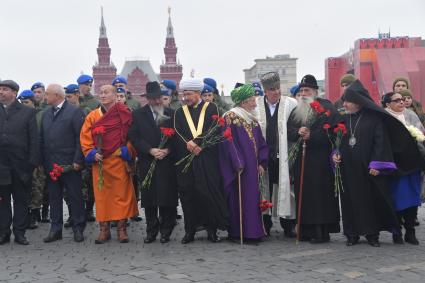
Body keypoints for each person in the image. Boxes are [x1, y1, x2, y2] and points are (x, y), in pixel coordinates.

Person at [332, 80, 425, 247]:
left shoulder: (374, 119)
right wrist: (336, 154)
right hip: (349, 169)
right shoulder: (343, 119)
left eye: (348, 101)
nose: (344, 104)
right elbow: (336, 142)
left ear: (358, 102)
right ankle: (352, 234)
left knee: (370, 202)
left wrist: (377, 165)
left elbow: (381, 143)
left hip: (369, 169)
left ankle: (371, 234)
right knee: (350, 202)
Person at [80, 85, 139, 244]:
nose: (103, 95)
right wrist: (91, 153)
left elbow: (133, 135)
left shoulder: (124, 113)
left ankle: (121, 229)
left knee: (121, 195)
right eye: (101, 92)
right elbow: (85, 138)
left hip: (119, 160)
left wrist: (128, 150)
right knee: (102, 196)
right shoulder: (93, 115)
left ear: (115, 95)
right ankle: (104, 230)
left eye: (107, 92)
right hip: (100, 161)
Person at [173, 78, 228, 244]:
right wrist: (189, 143)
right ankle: (190, 230)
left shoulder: (212, 107)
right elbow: (177, 129)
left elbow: (214, 128)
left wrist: (198, 143)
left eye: (188, 94)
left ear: (198, 94)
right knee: (188, 194)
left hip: (206, 157)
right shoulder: (179, 112)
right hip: (187, 158)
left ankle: (212, 230)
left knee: (207, 193)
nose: (185, 97)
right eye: (184, 94)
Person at [287, 74, 341, 243]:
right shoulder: (296, 110)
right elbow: (289, 131)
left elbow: (334, 133)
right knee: (304, 196)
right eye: (301, 90)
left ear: (315, 92)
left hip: (321, 161)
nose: (303, 94)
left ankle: (321, 232)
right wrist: (298, 132)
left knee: (320, 197)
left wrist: (313, 136)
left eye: (307, 90)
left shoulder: (327, 108)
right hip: (302, 161)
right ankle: (306, 230)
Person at [129, 81, 178, 244]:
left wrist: (167, 150)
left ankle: (166, 230)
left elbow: (178, 137)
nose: (157, 101)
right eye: (153, 99)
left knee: (167, 197)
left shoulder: (172, 113)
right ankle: (151, 230)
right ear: (147, 99)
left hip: (166, 161)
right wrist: (150, 150)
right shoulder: (137, 114)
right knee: (149, 199)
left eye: (159, 98)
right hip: (147, 160)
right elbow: (134, 137)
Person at [219, 84, 268, 242]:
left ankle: (254, 232)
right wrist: (237, 162)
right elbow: (228, 141)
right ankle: (238, 233)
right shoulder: (230, 117)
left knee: (253, 200)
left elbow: (261, 142)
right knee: (239, 200)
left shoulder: (252, 120)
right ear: (243, 102)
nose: (255, 104)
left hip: (253, 168)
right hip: (239, 168)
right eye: (252, 101)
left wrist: (262, 162)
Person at [40, 84, 86, 243]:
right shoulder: (46, 114)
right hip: (51, 164)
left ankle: (78, 228)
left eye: (47, 94)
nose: (45, 97)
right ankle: (55, 229)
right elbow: (42, 139)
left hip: (70, 165)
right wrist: (42, 161)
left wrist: (78, 161)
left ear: (57, 96)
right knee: (54, 197)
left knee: (75, 197)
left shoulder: (74, 112)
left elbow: (80, 139)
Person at [255, 72, 298, 237]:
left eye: (278, 88)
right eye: (272, 89)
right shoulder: (256, 105)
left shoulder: (291, 103)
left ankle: (288, 224)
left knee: (287, 188)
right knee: (263, 188)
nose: (276, 92)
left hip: (284, 155)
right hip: (264, 156)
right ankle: (264, 223)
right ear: (265, 91)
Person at [0, 80, 39, 245]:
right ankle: (3, 232)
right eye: (0, 89)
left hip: (21, 165)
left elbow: (34, 139)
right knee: (2, 201)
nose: (1, 92)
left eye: (5, 89)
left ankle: (20, 232)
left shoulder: (27, 112)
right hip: (1, 166)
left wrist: (32, 163)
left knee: (21, 200)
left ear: (14, 93)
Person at [382, 91, 424, 245]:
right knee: (397, 199)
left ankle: (410, 231)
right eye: (397, 100)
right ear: (388, 104)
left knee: (413, 199)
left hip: (412, 163)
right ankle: (397, 231)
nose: (402, 102)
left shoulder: (410, 115)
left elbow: (420, 133)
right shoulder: (384, 118)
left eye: (402, 99)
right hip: (395, 165)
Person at [16, 90, 45, 230]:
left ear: (33, 103)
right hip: (21, 158)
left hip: (38, 158)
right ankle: (25, 215)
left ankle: (34, 216)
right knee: (23, 187)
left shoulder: (42, 115)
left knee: (37, 187)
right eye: (22, 102)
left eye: (26, 102)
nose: (24, 105)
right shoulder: (18, 116)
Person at [77, 74, 99, 222]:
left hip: (89, 144)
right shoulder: (72, 99)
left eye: (89, 85)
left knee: (90, 180)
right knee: (76, 182)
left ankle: (89, 209)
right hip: (74, 144)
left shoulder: (95, 103)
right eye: (85, 84)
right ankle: (75, 213)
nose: (88, 87)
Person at [31, 82, 50, 223]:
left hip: (47, 152)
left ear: (44, 93)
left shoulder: (48, 110)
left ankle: (45, 212)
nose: (37, 94)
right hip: (34, 153)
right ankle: (36, 212)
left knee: (48, 185)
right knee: (37, 183)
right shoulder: (31, 110)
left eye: (39, 92)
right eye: (35, 92)